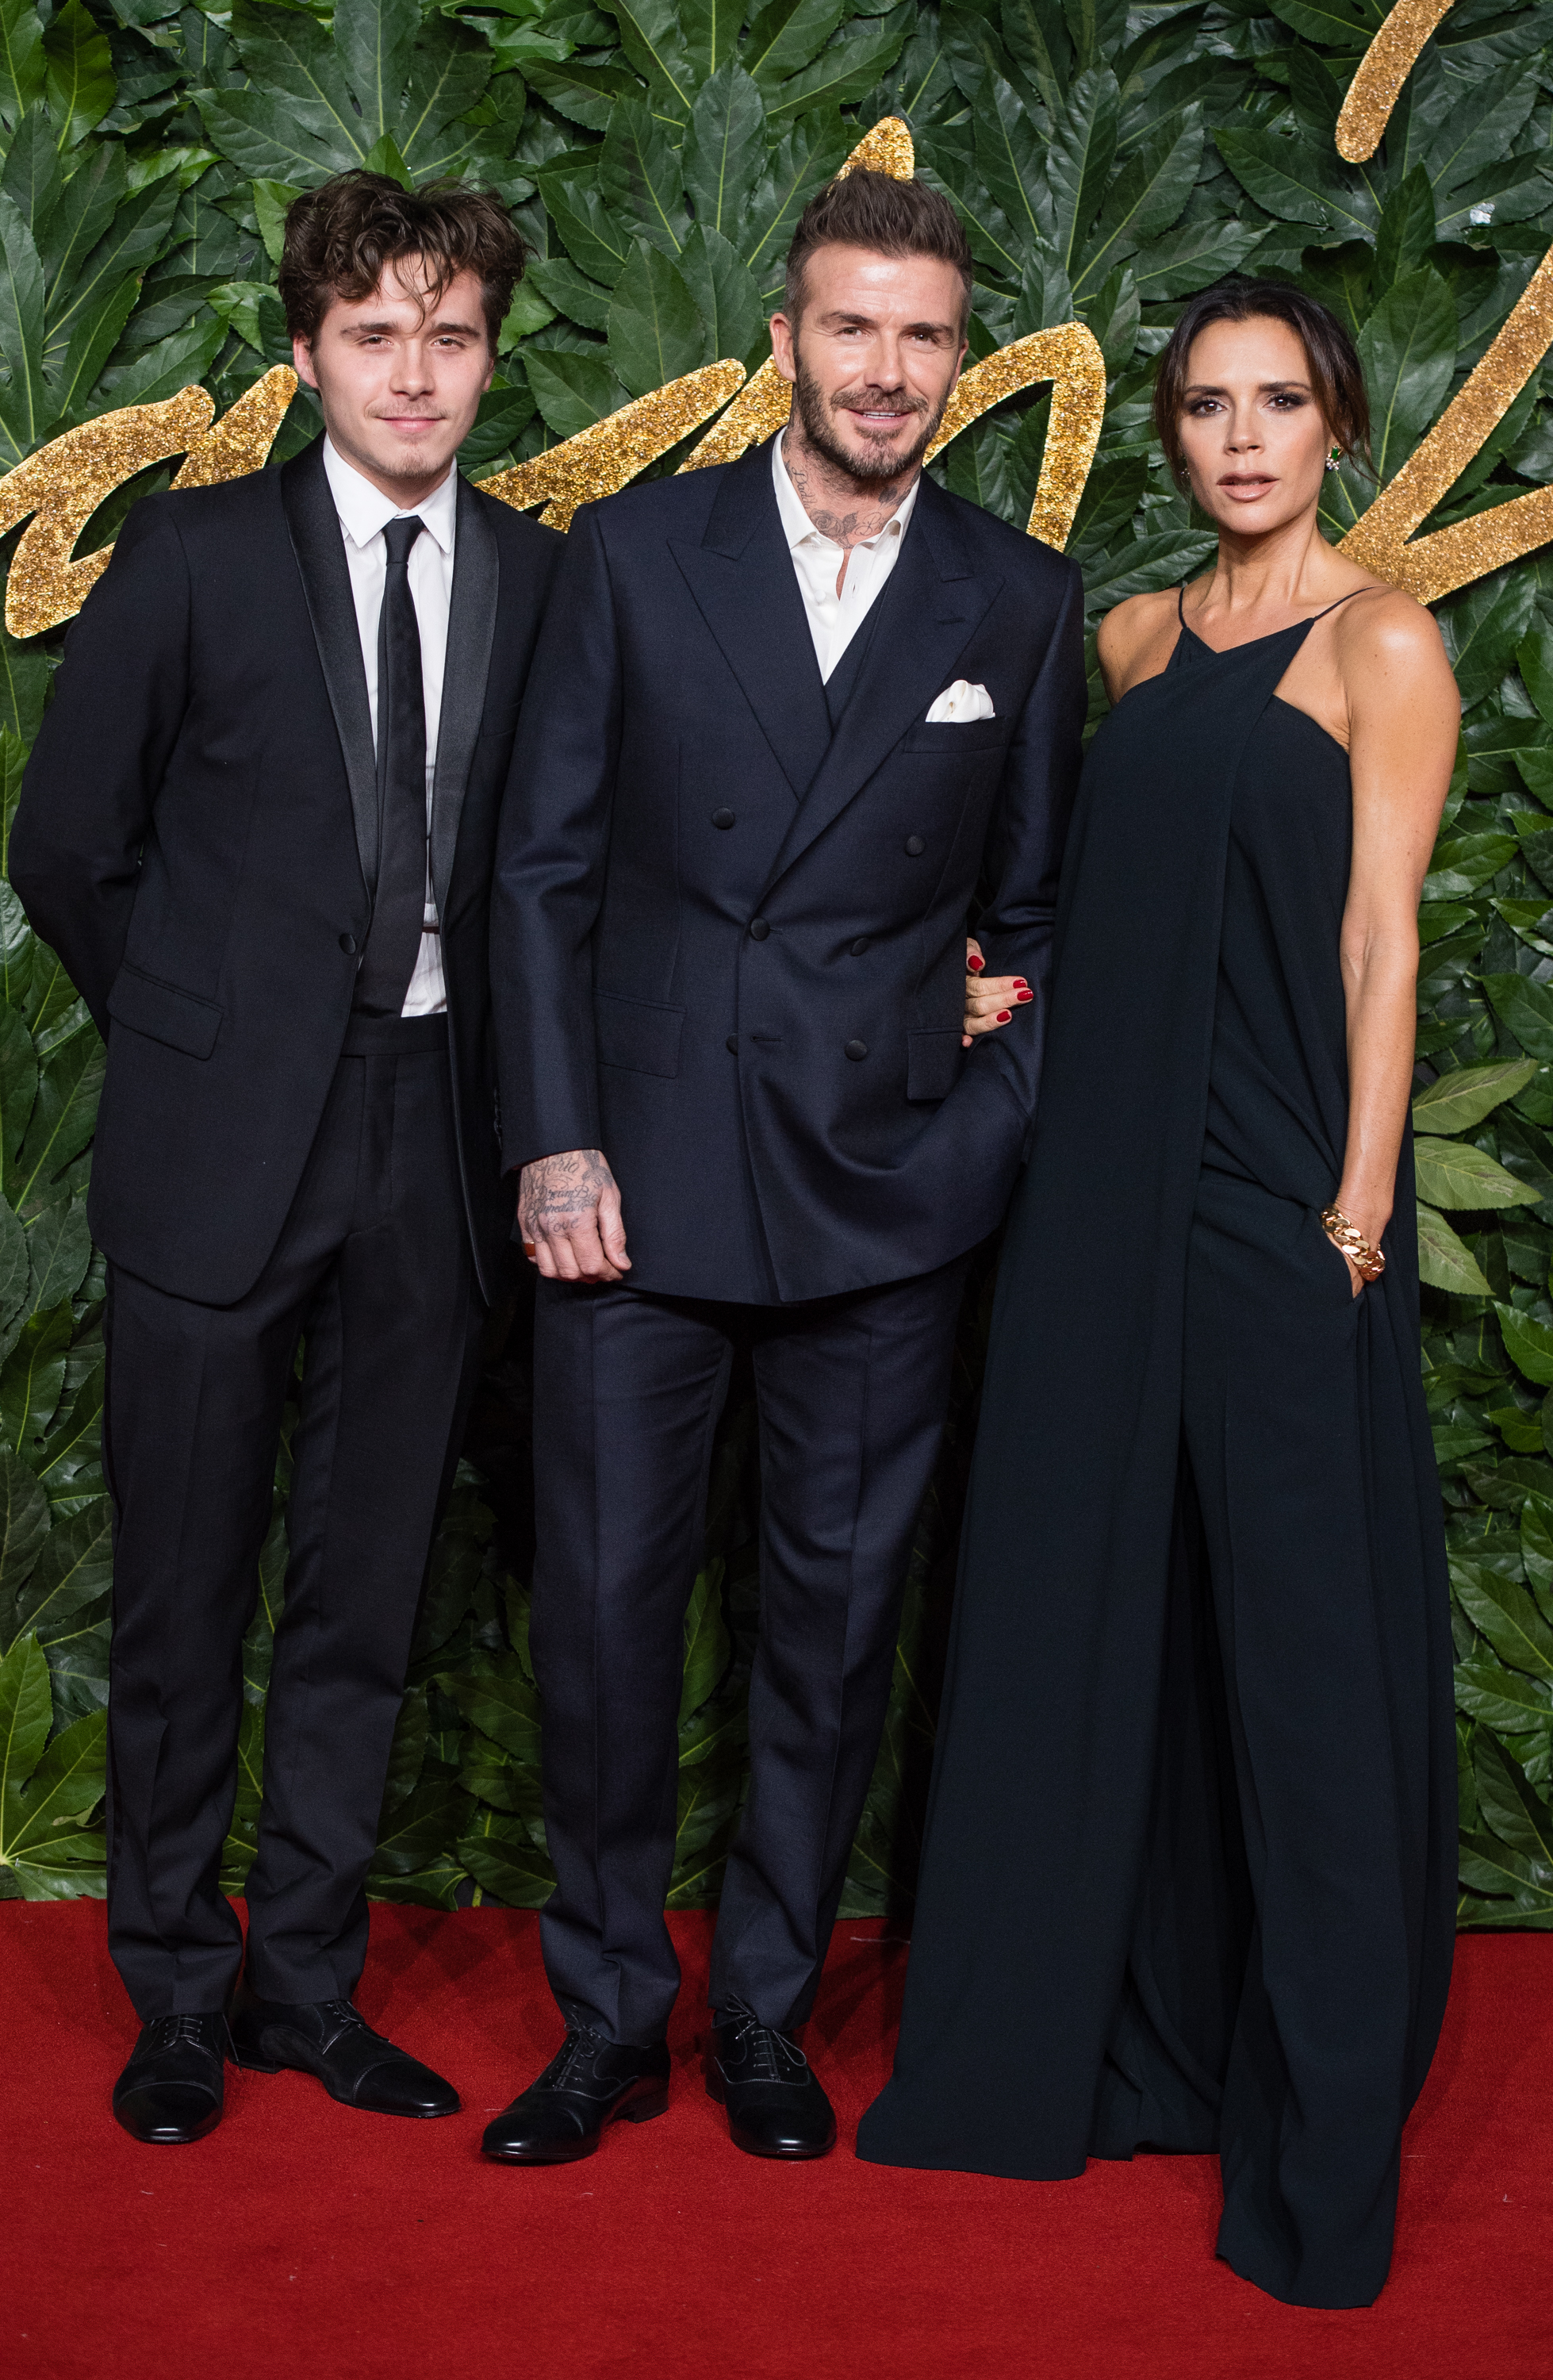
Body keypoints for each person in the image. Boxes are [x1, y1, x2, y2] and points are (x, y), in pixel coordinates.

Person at [857, 278, 1461, 2309]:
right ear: (1172, 437)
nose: (1238, 438)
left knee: (1292, 1672)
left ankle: (1317, 2133)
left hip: (1283, 1201)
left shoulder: (1382, 640)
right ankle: (1108, 2041)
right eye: (1205, 406)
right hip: (1097, 1204)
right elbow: (1053, 914)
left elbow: (1380, 947)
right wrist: (983, 993)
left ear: (1337, 426)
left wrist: (1356, 1210)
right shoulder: (1121, 641)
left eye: (1279, 402)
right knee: (1078, 1610)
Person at [482, 168, 1086, 2165]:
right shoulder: (636, 553)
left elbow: (1031, 921)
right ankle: (603, 2020)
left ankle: (758, 2015)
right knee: (604, 1622)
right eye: (854, 327)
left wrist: (963, 1129)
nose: (888, 369)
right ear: (783, 346)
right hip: (634, 1191)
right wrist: (557, 1140)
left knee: (829, 1639)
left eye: (924, 336)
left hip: (878, 1202)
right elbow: (544, 867)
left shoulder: (1015, 593)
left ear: (956, 359)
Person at [11, 173, 561, 2145]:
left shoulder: (535, 574)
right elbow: (69, 850)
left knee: (363, 1591)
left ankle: (302, 1989)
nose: (415, 374)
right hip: (215, 1143)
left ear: (491, 355)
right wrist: (200, 1029)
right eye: (374, 334)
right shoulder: (183, 559)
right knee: (180, 1590)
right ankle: (173, 1985)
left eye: (451, 335)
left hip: (434, 1136)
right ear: (306, 350)